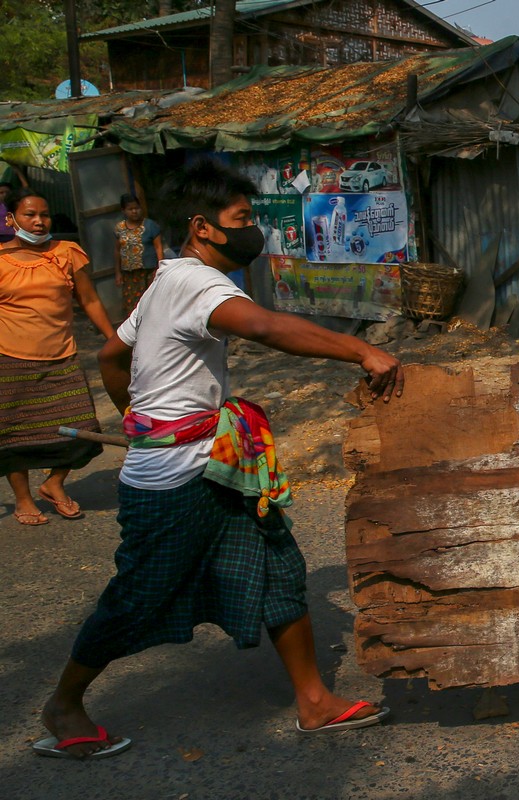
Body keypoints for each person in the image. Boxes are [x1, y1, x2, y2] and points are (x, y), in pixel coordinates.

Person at [37, 159, 403, 760]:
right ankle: (63, 704)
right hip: (172, 480)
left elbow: (110, 356)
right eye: (242, 218)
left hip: (217, 464)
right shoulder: (194, 283)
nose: (252, 228)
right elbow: (263, 326)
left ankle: (313, 702)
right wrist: (362, 349)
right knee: (138, 595)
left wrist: (138, 418)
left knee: (281, 565)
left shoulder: (166, 278)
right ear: (204, 227)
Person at [1, 189, 115, 526]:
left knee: (83, 428)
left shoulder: (66, 253)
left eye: (44, 215)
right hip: (9, 359)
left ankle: (53, 483)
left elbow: (90, 300)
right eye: (29, 215)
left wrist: (114, 339)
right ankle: (23, 501)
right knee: (13, 435)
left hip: (61, 357)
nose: (39, 222)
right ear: (11, 219)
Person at [113, 193, 164, 316]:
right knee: (133, 306)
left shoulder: (150, 226)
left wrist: (161, 268)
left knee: (152, 302)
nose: (134, 211)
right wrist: (118, 272)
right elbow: (117, 250)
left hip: (148, 272)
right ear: (123, 210)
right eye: (130, 209)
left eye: (137, 208)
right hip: (129, 274)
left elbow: (158, 247)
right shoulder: (119, 228)